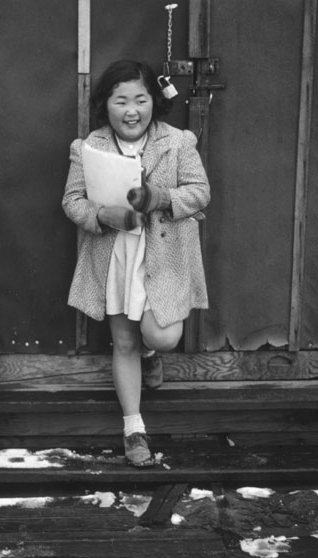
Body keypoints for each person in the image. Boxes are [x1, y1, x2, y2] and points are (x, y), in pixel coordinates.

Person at [62, 60, 210, 467]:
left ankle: (152, 354)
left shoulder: (179, 142)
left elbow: (200, 193)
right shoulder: (88, 146)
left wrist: (159, 197)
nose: (131, 110)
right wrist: (102, 216)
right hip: (117, 255)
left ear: (153, 103)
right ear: (105, 104)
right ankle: (134, 430)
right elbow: (72, 201)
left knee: (160, 336)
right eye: (121, 100)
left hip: (163, 257)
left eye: (141, 99)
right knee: (123, 341)